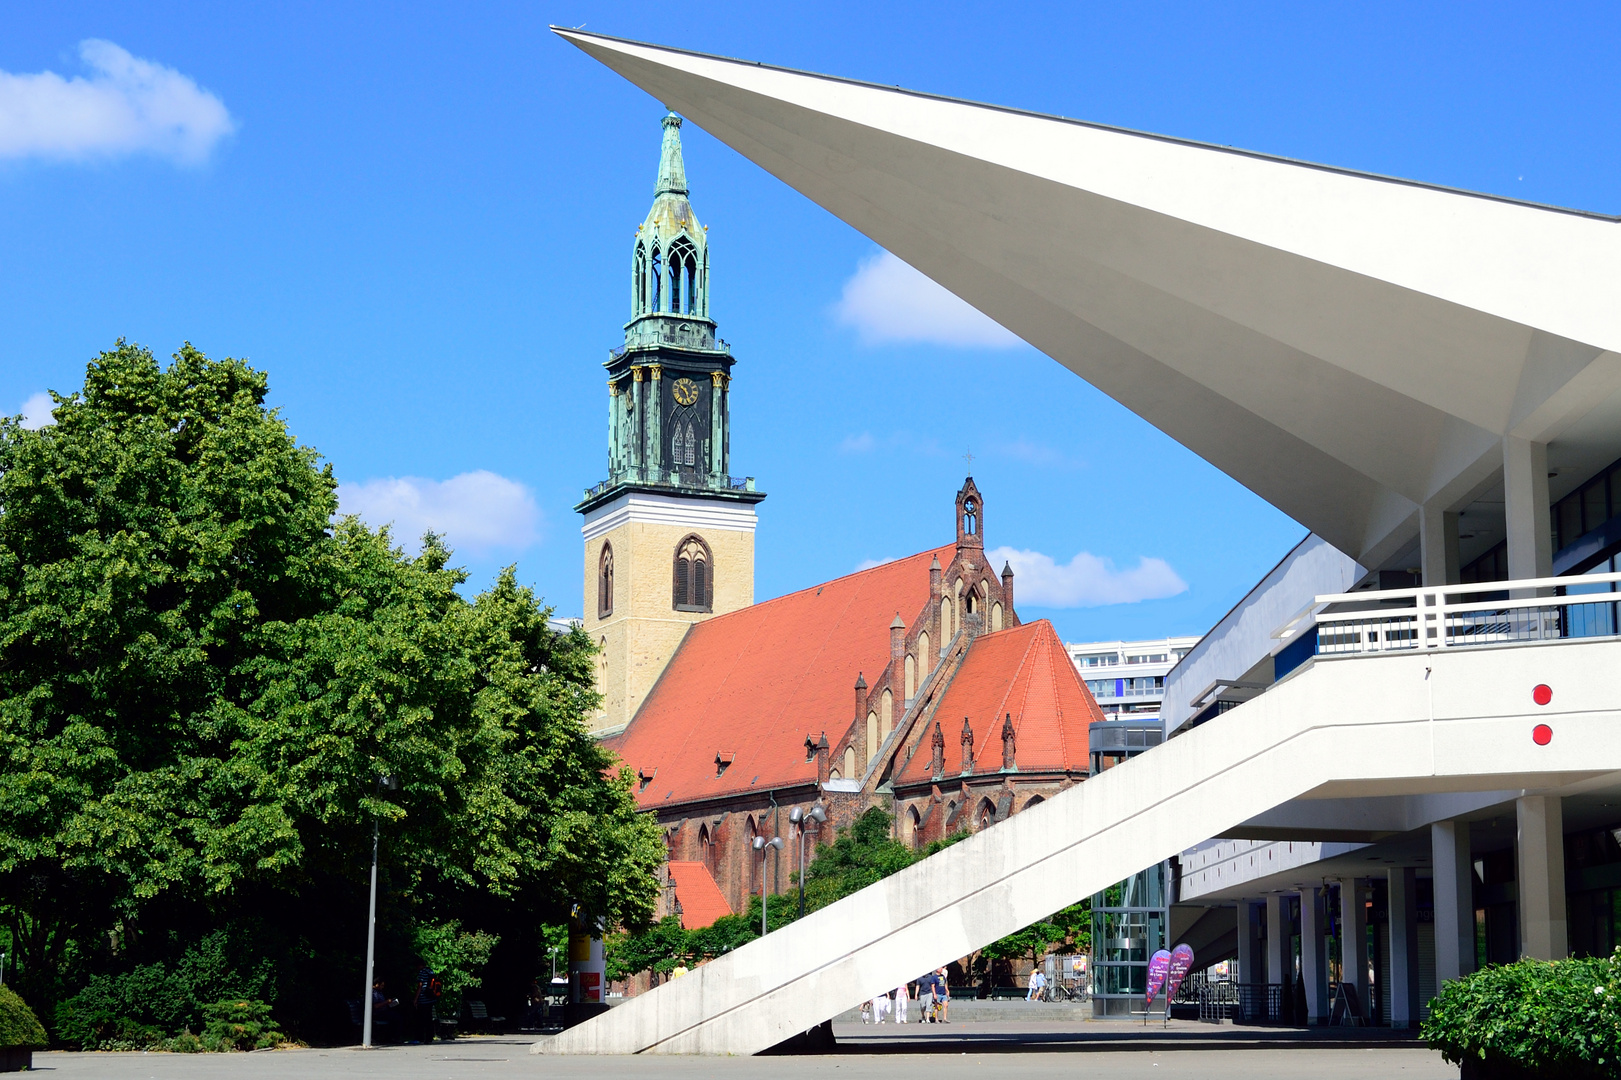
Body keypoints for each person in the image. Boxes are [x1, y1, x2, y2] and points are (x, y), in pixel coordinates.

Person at [411, 956, 441, 1044]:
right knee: (429, 1018)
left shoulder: (422, 972)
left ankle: (420, 1037)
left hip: (423, 999)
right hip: (431, 998)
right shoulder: (430, 971)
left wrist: (415, 999)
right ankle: (429, 1037)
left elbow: (420, 986)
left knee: (421, 1019)